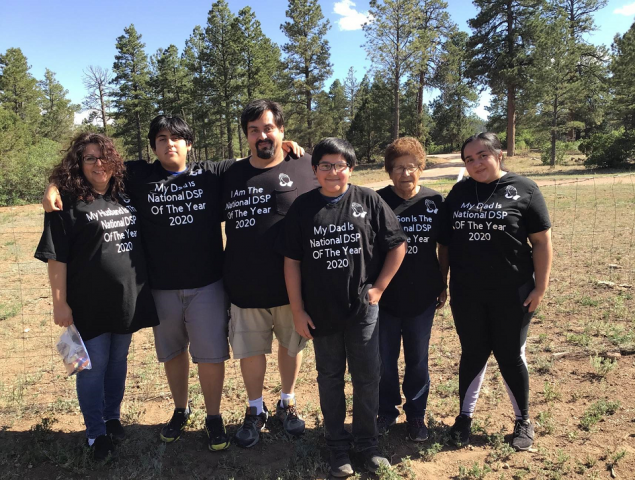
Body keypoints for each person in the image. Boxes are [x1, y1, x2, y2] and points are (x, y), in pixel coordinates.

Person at [42, 114, 306, 451]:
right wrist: (54, 185)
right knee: (172, 354)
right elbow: (91, 171)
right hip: (159, 288)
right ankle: (180, 410)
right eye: (162, 139)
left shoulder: (213, 174)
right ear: (153, 146)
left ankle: (214, 417)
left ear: (189, 144)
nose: (170, 144)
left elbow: (255, 159)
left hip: (209, 284)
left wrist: (283, 146)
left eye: (177, 138)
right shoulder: (139, 176)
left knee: (210, 356)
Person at [279, 138, 407, 477]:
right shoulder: (303, 207)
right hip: (321, 313)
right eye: (325, 165)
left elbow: (397, 246)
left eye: (340, 165)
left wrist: (379, 287)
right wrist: (297, 310)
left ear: (350, 168)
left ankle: (367, 443)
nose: (333, 172)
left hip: (363, 311)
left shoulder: (368, 200)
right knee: (330, 378)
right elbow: (291, 262)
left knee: (367, 377)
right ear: (314, 170)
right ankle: (337, 445)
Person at [35, 133, 159, 461]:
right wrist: (59, 302)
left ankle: (111, 417)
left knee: (118, 362)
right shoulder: (68, 201)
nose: (98, 164)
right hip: (88, 301)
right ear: (78, 164)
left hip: (127, 298)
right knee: (92, 366)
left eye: (103, 156)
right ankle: (95, 433)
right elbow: (56, 256)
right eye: (89, 158)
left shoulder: (125, 192)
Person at [440, 132, 552, 451]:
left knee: (509, 354)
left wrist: (540, 288)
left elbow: (542, 243)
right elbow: (444, 245)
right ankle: (464, 418)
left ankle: (523, 420)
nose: (476, 163)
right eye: (469, 159)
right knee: (473, 352)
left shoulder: (525, 189)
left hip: (513, 292)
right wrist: (443, 283)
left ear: (498, 155)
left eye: (482, 155)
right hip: (467, 293)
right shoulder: (459, 193)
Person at [222, 100, 319, 448]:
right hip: (245, 285)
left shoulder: (306, 166)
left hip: (293, 288)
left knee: (291, 347)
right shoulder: (229, 174)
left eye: (268, 128)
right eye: (253, 130)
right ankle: (254, 410)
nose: (262, 136)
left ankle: (287, 402)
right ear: (246, 135)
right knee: (251, 351)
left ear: (281, 130)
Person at [375, 137, 448, 442]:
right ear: (389, 171)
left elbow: (444, 247)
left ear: (422, 168)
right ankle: (386, 412)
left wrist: (442, 283)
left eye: (411, 167)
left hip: (422, 297)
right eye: (397, 168)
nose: (405, 173)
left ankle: (416, 415)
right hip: (385, 299)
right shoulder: (376, 201)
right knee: (385, 360)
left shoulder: (435, 202)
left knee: (417, 359)